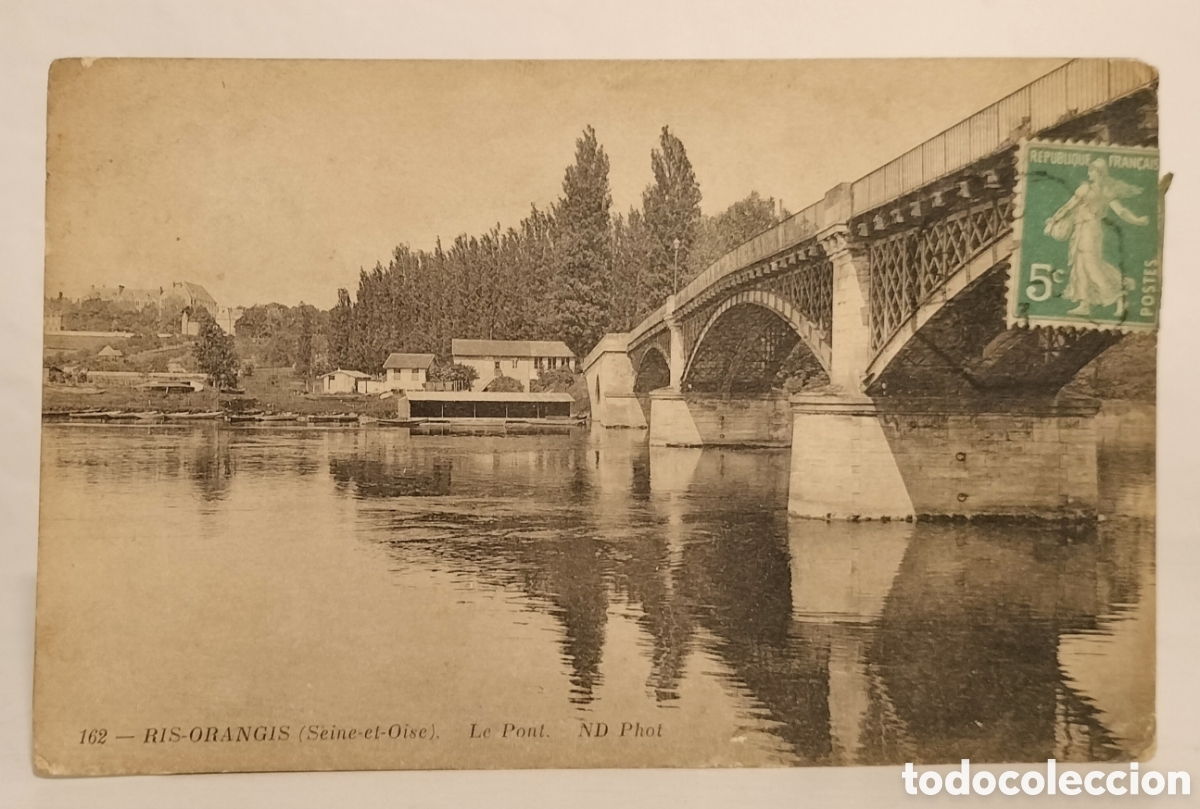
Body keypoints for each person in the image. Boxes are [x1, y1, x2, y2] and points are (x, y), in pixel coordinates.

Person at [1043, 158, 1149, 317]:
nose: (1088, 173)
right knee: (1080, 266)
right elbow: (1070, 206)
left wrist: (1052, 221)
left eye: (1091, 170)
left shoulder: (1090, 190)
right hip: (1083, 229)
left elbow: (1069, 206)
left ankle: (1119, 296)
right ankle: (1085, 304)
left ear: (1099, 173)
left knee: (1091, 265)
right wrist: (1137, 220)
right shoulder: (1102, 191)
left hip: (1089, 230)